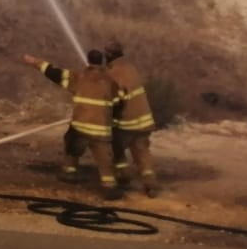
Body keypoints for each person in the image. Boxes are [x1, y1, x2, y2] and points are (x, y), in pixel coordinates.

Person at [23, 49, 122, 200]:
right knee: (104, 159)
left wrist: (35, 62)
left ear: (88, 61)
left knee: (71, 146)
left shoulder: (79, 77)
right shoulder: (111, 82)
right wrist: (113, 121)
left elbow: (54, 73)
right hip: (100, 130)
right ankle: (109, 187)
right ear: (102, 62)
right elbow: (118, 103)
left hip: (80, 127)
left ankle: (69, 172)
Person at [104, 38, 158, 197]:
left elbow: (117, 100)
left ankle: (123, 177)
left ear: (108, 55)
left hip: (126, 123)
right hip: (144, 122)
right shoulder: (131, 68)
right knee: (142, 153)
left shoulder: (113, 74)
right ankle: (150, 184)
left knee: (116, 149)